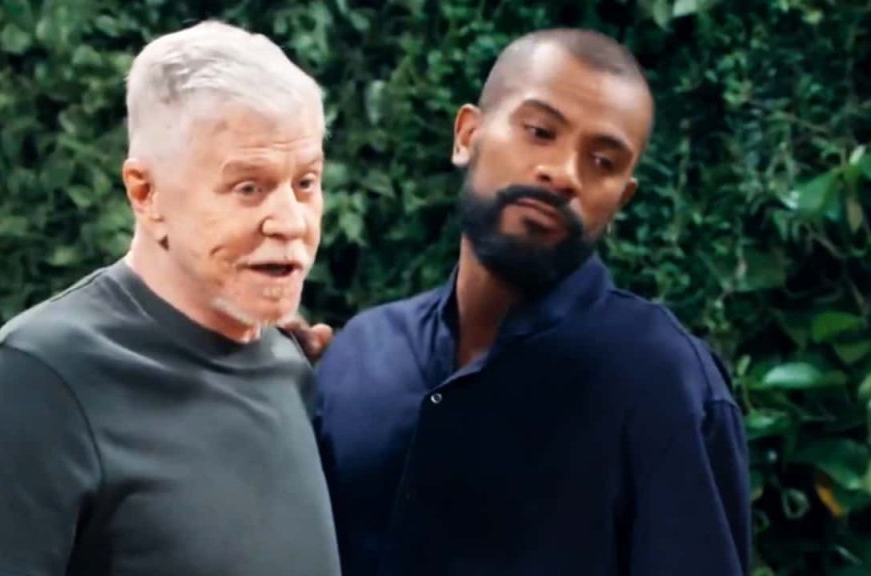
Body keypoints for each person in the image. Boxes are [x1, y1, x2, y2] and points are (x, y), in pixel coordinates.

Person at [314, 28, 750, 576]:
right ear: (467, 135)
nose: (564, 173)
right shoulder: (360, 355)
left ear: (622, 198)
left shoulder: (665, 387)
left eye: (603, 161)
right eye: (540, 132)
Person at [0, 21, 340, 576]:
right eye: (248, 188)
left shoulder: (290, 368)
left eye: (305, 183)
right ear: (146, 193)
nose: (291, 221)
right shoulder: (35, 381)